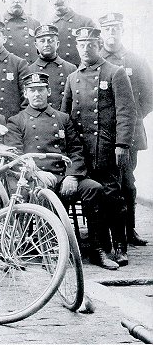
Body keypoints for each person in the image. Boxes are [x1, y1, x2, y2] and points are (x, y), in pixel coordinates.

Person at [5, 72, 119, 269]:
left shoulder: (63, 118)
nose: (37, 94)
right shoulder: (17, 121)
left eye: (40, 90)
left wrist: (72, 176)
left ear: (48, 91)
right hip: (36, 177)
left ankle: (97, 249)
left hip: (63, 175)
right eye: (32, 90)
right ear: (26, 93)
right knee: (34, 193)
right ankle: (46, 247)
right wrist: (35, 173)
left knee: (94, 189)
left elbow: (76, 149)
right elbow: (15, 153)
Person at [61, 27, 136, 266]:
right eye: (81, 44)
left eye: (91, 44)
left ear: (98, 45)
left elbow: (126, 111)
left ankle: (120, 246)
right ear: (76, 46)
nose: (85, 49)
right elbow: (65, 114)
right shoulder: (73, 77)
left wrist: (122, 143)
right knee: (94, 197)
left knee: (113, 196)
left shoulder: (115, 72)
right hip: (81, 148)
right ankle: (100, 246)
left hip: (105, 146)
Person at [99, 12, 153, 246]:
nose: (112, 33)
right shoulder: (96, 59)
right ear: (101, 33)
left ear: (122, 31)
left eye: (116, 28)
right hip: (101, 133)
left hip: (129, 133)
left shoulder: (135, 60)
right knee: (104, 183)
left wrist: (131, 119)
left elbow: (150, 96)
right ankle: (104, 234)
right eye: (107, 29)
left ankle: (129, 230)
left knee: (128, 182)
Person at [46, 0, 96, 67]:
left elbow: (97, 48)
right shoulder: (47, 26)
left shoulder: (85, 22)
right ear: (49, 0)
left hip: (80, 71)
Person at [29, 24, 76, 109]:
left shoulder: (71, 69)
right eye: (42, 41)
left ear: (57, 44)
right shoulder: (29, 70)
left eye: (50, 40)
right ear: (36, 45)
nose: (46, 44)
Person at [0, 0, 40, 64]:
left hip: (29, 72)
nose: (16, 1)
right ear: (4, 1)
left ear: (25, 0)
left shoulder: (35, 24)